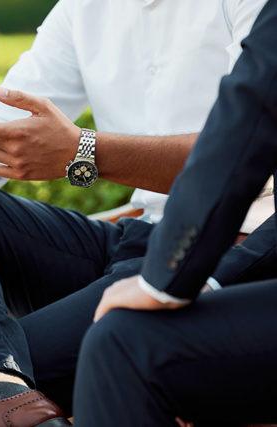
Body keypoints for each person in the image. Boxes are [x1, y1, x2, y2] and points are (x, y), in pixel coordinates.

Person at [0, 0, 270, 425]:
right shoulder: (84, 8)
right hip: (134, 240)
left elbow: (246, 154)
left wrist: (85, 151)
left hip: (223, 249)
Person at [73, 1, 277, 425]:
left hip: (190, 253)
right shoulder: (82, 11)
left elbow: (252, 115)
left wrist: (165, 280)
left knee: (123, 346)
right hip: (143, 243)